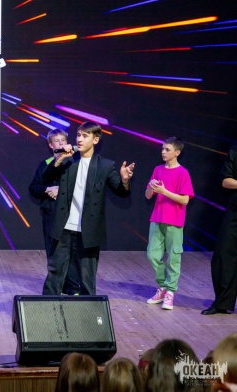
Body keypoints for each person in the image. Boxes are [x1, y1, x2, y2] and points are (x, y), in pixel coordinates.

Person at [41, 121, 134, 295]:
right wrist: (60, 159)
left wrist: (125, 180)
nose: (80, 139)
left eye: (85, 136)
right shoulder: (68, 161)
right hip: (63, 226)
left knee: (86, 277)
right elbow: (45, 179)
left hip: (88, 229)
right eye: (78, 135)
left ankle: (87, 310)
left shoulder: (105, 165)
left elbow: (122, 192)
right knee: (55, 272)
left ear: (95, 140)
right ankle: (47, 307)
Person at [29, 129, 81, 295]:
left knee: (72, 250)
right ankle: (56, 286)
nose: (60, 143)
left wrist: (61, 190)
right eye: (57, 141)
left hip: (72, 213)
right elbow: (34, 188)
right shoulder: (45, 164)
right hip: (51, 213)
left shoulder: (75, 162)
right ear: (51, 145)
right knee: (54, 251)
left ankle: (72, 287)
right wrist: (48, 189)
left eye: (63, 140)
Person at [145, 137, 194, 310]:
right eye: (162, 149)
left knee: (173, 257)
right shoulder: (158, 169)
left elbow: (185, 200)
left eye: (167, 149)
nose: (163, 152)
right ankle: (163, 287)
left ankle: (170, 292)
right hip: (157, 218)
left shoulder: (183, 173)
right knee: (152, 254)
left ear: (177, 152)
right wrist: (151, 187)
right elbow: (148, 195)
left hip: (174, 221)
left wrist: (164, 191)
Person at [202, 144, 237, 315]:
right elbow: (226, 181)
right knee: (222, 255)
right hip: (235, 211)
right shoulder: (235, 151)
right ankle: (222, 302)